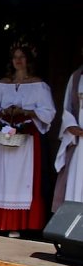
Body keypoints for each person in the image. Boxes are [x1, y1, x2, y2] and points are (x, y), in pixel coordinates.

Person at [0, 43, 55, 238]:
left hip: (25, 134)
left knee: (19, 179)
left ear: (29, 60)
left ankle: (14, 224)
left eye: (22, 57)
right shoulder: (3, 84)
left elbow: (48, 111)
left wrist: (27, 111)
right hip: (4, 132)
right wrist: (5, 110)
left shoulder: (39, 85)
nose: (18, 60)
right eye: (15, 57)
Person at [53, 61, 83, 209]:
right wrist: (71, 126)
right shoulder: (77, 77)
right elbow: (67, 108)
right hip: (80, 138)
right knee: (76, 179)